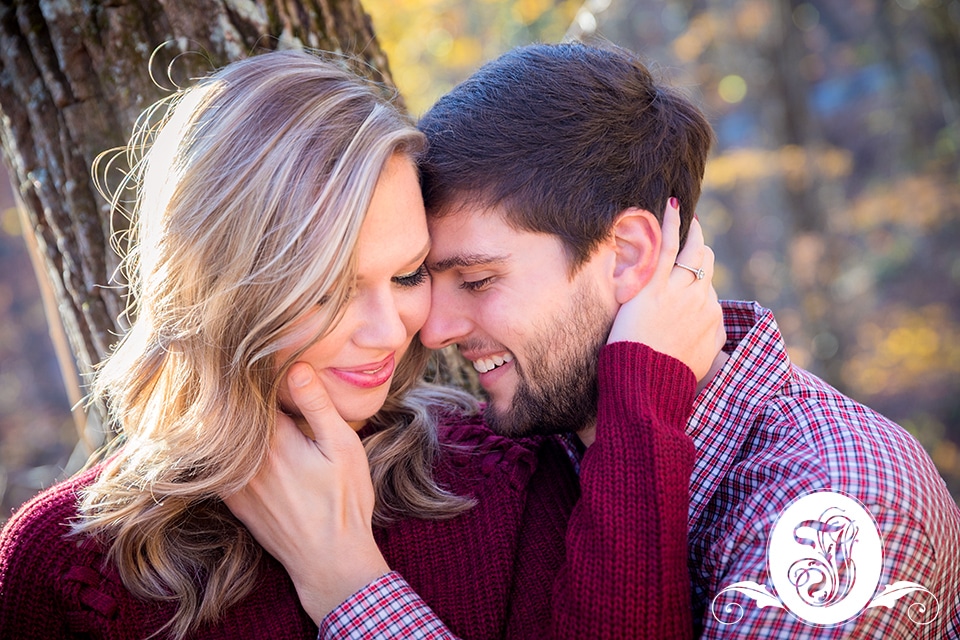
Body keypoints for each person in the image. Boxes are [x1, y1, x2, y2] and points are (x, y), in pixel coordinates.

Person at [230, 42, 960, 638]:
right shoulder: (526, 454)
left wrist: (351, 588)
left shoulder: (836, 499)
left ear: (629, 257)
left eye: (478, 281)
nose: (433, 327)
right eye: (426, 276)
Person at [0, 48, 722, 639]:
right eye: (327, 291)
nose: (396, 331)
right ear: (214, 292)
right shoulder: (65, 564)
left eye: (408, 274)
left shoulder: (506, 481)